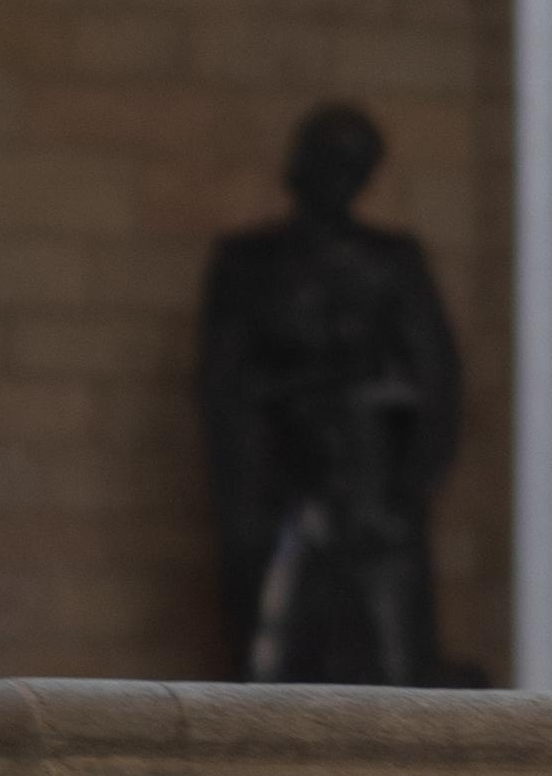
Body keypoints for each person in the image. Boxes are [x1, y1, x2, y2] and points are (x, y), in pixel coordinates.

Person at [198, 103, 465, 686]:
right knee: (273, 665)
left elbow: (437, 387)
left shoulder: (391, 262)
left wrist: (401, 494)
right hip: (284, 489)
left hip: (371, 494)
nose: (337, 178)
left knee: (396, 671)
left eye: (352, 166)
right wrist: (253, 501)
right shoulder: (249, 263)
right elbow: (224, 390)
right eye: (327, 161)